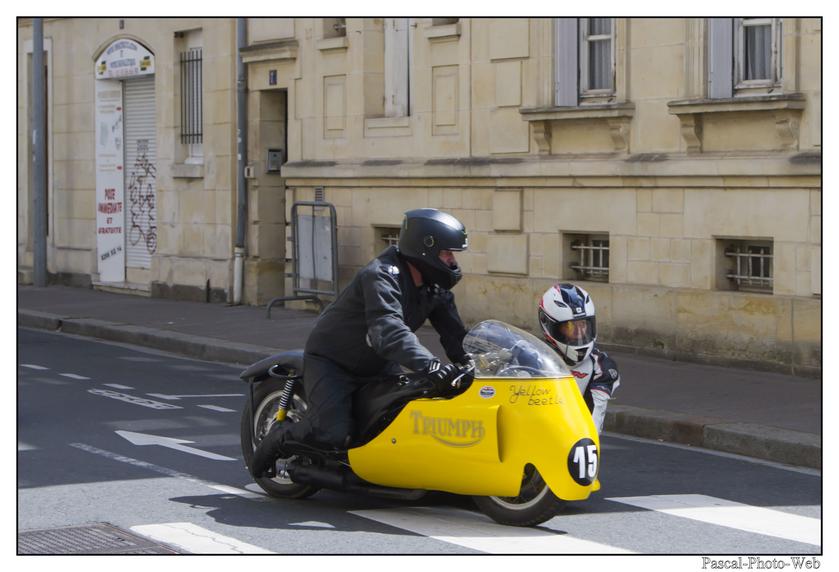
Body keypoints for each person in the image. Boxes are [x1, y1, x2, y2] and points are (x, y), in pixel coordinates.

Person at [251, 208, 472, 478]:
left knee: (401, 419)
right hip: (334, 361)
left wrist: (477, 362)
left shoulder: (433, 287)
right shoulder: (381, 275)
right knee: (333, 433)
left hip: (378, 363)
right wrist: (431, 365)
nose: (452, 261)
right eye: (447, 254)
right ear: (425, 250)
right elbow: (388, 330)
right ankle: (278, 439)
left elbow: (455, 335)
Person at [537, 282, 620, 434]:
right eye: (570, 327)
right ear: (548, 324)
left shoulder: (601, 367)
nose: (580, 333)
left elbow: (593, 425)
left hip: (573, 442)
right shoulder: (534, 358)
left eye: (583, 325)